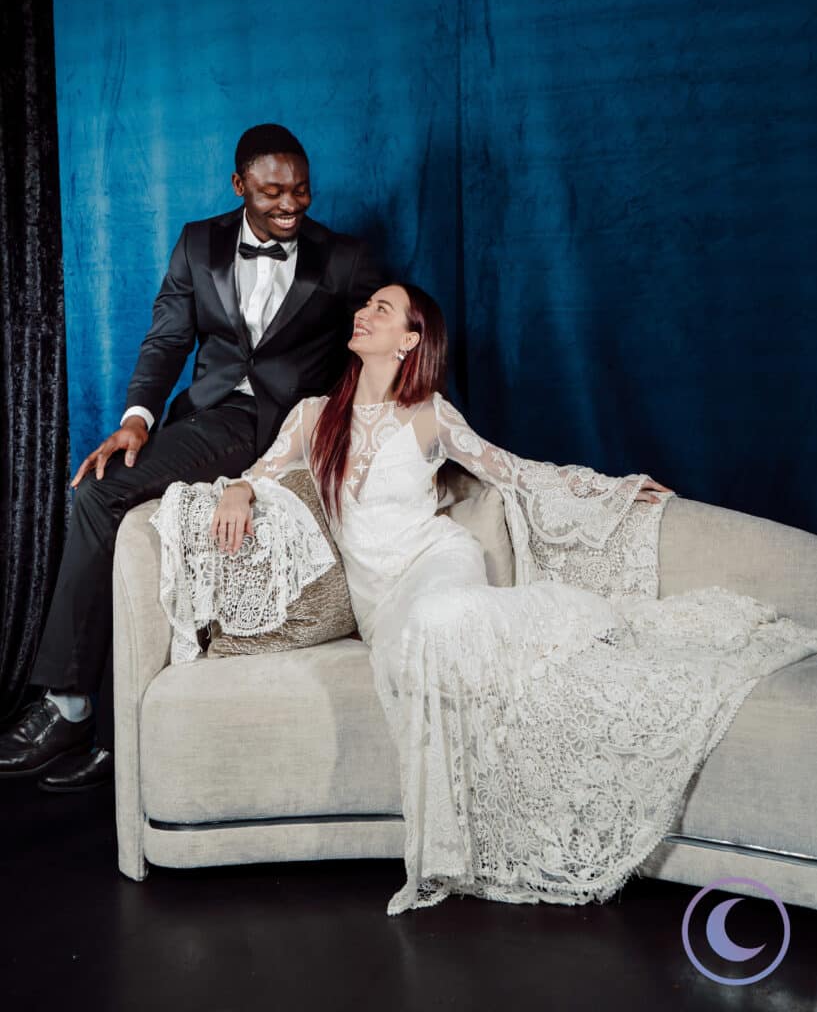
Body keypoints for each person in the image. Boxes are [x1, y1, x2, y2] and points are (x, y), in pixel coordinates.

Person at [152, 282, 817, 915]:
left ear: (410, 341)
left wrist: (612, 493)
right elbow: (257, 473)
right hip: (379, 603)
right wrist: (237, 491)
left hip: (435, 563)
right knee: (408, 646)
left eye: (382, 310)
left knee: (439, 621)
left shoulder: (428, 416)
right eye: (366, 306)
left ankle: (587, 618)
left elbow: (514, 473)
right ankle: (457, 833)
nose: (364, 314)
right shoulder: (312, 417)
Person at [0, 123, 384, 792]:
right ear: (239, 186)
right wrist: (137, 420)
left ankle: (66, 707)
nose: (291, 207)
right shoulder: (197, 243)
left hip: (272, 426)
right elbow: (166, 340)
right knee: (110, 492)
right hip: (201, 415)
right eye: (272, 194)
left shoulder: (345, 259)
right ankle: (116, 734)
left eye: (301, 192)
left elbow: (382, 348)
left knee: (95, 497)